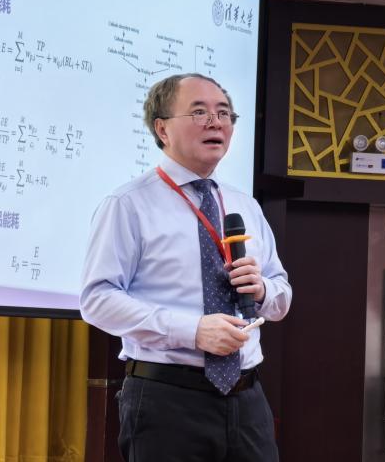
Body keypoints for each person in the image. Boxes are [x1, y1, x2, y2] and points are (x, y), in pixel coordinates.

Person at [80, 73, 292, 462]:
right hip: (167, 400)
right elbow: (97, 300)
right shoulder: (128, 205)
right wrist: (192, 331)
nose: (216, 122)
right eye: (199, 112)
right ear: (162, 128)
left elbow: (281, 297)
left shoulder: (245, 205)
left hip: (247, 401)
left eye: (224, 113)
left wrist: (262, 289)